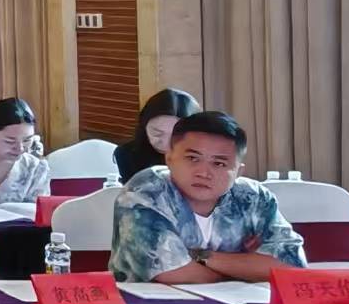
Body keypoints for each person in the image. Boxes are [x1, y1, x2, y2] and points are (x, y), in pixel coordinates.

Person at [110, 111, 305, 283]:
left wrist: (202, 257)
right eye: (193, 158)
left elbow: (292, 265)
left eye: (219, 164)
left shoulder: (253, 198)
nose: (203, 173)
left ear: (238, 172)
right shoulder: (145, 192)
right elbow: (173, 273)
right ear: (169, 159)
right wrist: (248, 268)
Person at [116, 88, 202, 182]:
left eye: (175, 136)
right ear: (144, 125)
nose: (165, 143)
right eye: (157, 133)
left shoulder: (205, 157)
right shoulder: (127, 154)